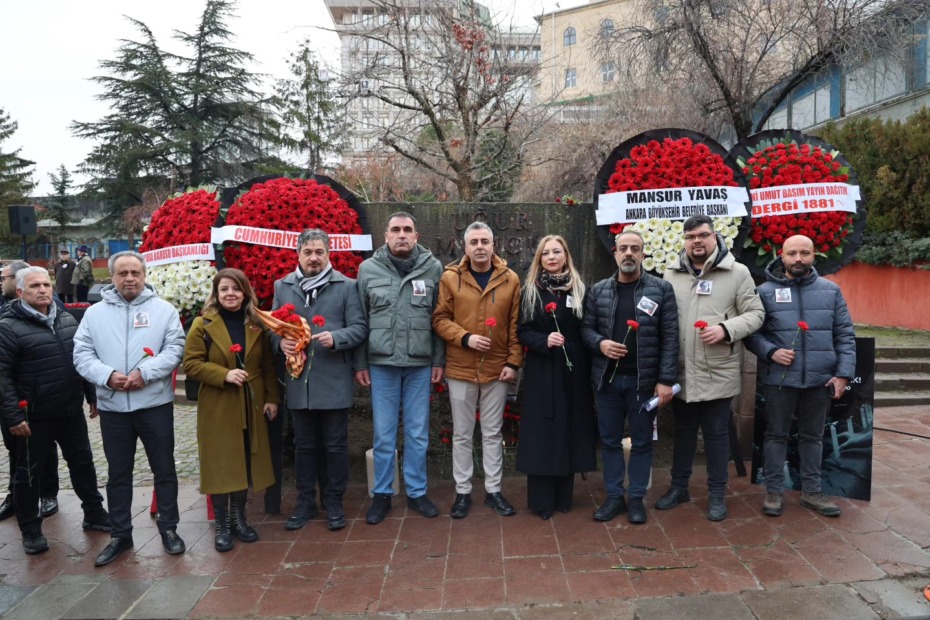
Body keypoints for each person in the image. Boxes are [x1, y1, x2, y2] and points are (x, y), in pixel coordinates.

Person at [74, 251, 187, 566]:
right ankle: (121, 535)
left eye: (135, 272)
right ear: (111, 277)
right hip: (113, 409)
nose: (129, 278)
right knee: (118, 474)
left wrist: (146, 373)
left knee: (164, 469)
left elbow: (175, 348)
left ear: (144, 274)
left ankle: (169, 528)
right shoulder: (95, 314)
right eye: (122, 273)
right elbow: (82, 353)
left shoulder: (164, 311)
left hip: (154, 405)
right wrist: (107, 376)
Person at [659, 215, 764, 521]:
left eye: (703, 235)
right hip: (680, 372)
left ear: (715, 237)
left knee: (717, 436)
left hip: (717, 370)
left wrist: (726, 329)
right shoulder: (671, 273)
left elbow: (756, 313)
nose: (697, 241)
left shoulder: (737, 273)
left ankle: (717, 494)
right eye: (691, 236)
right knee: (683, 433)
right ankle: (679, 487)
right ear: (685, 240)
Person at [0, 267, 110, 555]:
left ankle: (94, 513)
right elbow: (2, 375)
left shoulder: (65, 319)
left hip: (69, 410)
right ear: (21, 292)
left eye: (46, 284)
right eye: (35, 285)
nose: (43, 290)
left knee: (83, 462)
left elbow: (81, 359)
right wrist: (12, 415)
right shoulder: (8, 326)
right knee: (28, 474)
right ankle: (31, 529)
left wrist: (91, 395)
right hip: (31, 416)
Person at [747, 234, 856, 518]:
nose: (798, 259)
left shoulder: (831, 291)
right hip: (779, 379)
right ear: (781, 256)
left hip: (820, 380)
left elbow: (845, 335)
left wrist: (843, 374)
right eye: (792, 253)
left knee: (813, 437)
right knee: (775, 435)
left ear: (813, 255)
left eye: (804, 253)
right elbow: (752, 334)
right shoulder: (764, 292)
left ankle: (811, 491)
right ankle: (773, 491)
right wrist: (771, 352)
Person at [581, 231, 679, 524]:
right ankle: (613, 498)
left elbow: (670, 337)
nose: (628, 254)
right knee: (609, 441)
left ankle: (636, 499)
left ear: (643, 255)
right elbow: (585, 329)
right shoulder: (598, 290)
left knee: (641, 442)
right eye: (623, 248)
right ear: (615, 253)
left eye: (635, 249)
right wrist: (600, 343)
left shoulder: (661, 290)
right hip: (607, 382)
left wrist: (665, 379)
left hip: (644, 383)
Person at [272, 229, 367, 532]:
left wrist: (337, 337)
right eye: (308, 252)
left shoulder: (347, 286)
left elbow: (360, 328)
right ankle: (305, 502)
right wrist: (280, 344)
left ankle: (334, 501)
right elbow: (272, 327)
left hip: (334, 378)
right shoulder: (282, 286)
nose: (314, 257)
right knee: (303, 446)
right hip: (300, 381)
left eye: (319, 252)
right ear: (298, 254)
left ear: (329, 254)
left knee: (336, 446)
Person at [355, 212, 445, 525]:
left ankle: (417, 492)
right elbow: (360, 321)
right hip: (382, 365)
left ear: (417, 236)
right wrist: (359, 362)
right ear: (386, 235)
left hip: (420, 365)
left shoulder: (433, 268)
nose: (402, 235)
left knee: (418, 433)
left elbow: (439, 318)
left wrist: (439, 360)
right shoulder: (368, 269)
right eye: (396, 230)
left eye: (408, 229)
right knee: (383, 434)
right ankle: (382, 494)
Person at [183, 269, 280, 551]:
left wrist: (272, 398)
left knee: (245, 461)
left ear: (245, 293)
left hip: (252, 402)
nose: (230, 294)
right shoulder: (203, 325)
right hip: (219, 404)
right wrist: (223, 374)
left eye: (236, 289)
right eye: (224, 289)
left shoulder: (256, 324)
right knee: (220, 462)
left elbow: (267, 366)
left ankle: (240, 519)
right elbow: (191, 364)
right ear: (216, 293)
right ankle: (222, 525)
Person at [433, 221, 523, 518]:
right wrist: (466, 337)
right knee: (461, 433)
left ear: (494, 245)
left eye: (485, 241)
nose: (480, 246)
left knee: (492, 432)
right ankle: (463, 492)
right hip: (460, 367)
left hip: (497, 369)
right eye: (474, 242)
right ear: (465, 247)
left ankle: (494, 491)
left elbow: (514, 325)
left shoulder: (509, 279)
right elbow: (440, 319)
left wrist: (513, 362)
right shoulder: (450, 278)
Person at [516, 236, 596, 520]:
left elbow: (587, 325)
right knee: (544, 432)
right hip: (543, 369)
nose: (551, 257)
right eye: (546, 253)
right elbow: (522, 331)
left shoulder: (579, 289)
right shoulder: (530, 291)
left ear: (565, 256)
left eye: (557, 252)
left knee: (569, 429)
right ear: (539, 259)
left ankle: (564, 496)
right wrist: (543, 339)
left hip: (573, 368)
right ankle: (541, 501)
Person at [0, 261, 61, 523]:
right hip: (11, 398)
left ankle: (48, 494)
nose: (2, 282)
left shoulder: (56, 310)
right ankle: (15, 497)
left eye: (5, 277)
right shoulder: (6, 310)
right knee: (16, 452)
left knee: (43, 453)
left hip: (42, 400)